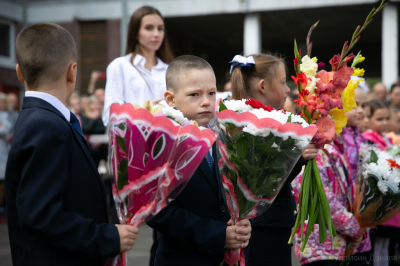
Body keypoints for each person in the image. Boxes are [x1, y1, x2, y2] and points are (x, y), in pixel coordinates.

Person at [6, 23, 139, 266]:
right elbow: (41, 215)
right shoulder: (45, 125)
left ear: (19, 72)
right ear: (72, 71)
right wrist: (106, 237)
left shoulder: (45, 119)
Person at [147, 55, 252, 266]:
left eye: (211, 93)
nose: (206, 101)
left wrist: (240, 224)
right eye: (194, 94)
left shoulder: (218, 136)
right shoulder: (162, 142)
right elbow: (154, 211)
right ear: (170, 99)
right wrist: (217, 234)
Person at [229, 54, 318, 266]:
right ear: (263, 86)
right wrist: (299, 158)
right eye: (282, 82)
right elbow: (260, 182)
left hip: (270, 223)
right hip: (261, 226)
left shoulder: (266, 119)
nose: (288, 89)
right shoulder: (251, 123)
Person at [292, 87, 372, 266]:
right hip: (321, 247)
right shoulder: (313, 148)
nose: (359, 110)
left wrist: (361, 226)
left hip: (343, 243)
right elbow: (320, 197)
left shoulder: (340, 147)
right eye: (352, 104)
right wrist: (353, 227)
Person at [103, 5, 174, 126]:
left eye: (160, 28)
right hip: (133, 141)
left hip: (168, 141)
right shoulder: (119, 66)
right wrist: (143, 112)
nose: (156, 34)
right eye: (149, 28)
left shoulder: (170, 70)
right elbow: (109, 116)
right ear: (135, 33)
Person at [81, 95, 107, 167]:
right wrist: (93, 119)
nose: (96, 105)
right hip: (89, 150)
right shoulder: (85, 116)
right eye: (94, 103)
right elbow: (86, 129)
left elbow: (103, 129)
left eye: (98, 103)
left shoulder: (103, 117)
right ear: (89, 105)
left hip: (101, 150)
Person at [0, 93, 12, 223]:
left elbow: (8, 128)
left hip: (4, 153)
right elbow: (4, 130)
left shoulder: (5, 115)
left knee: (3, 183)